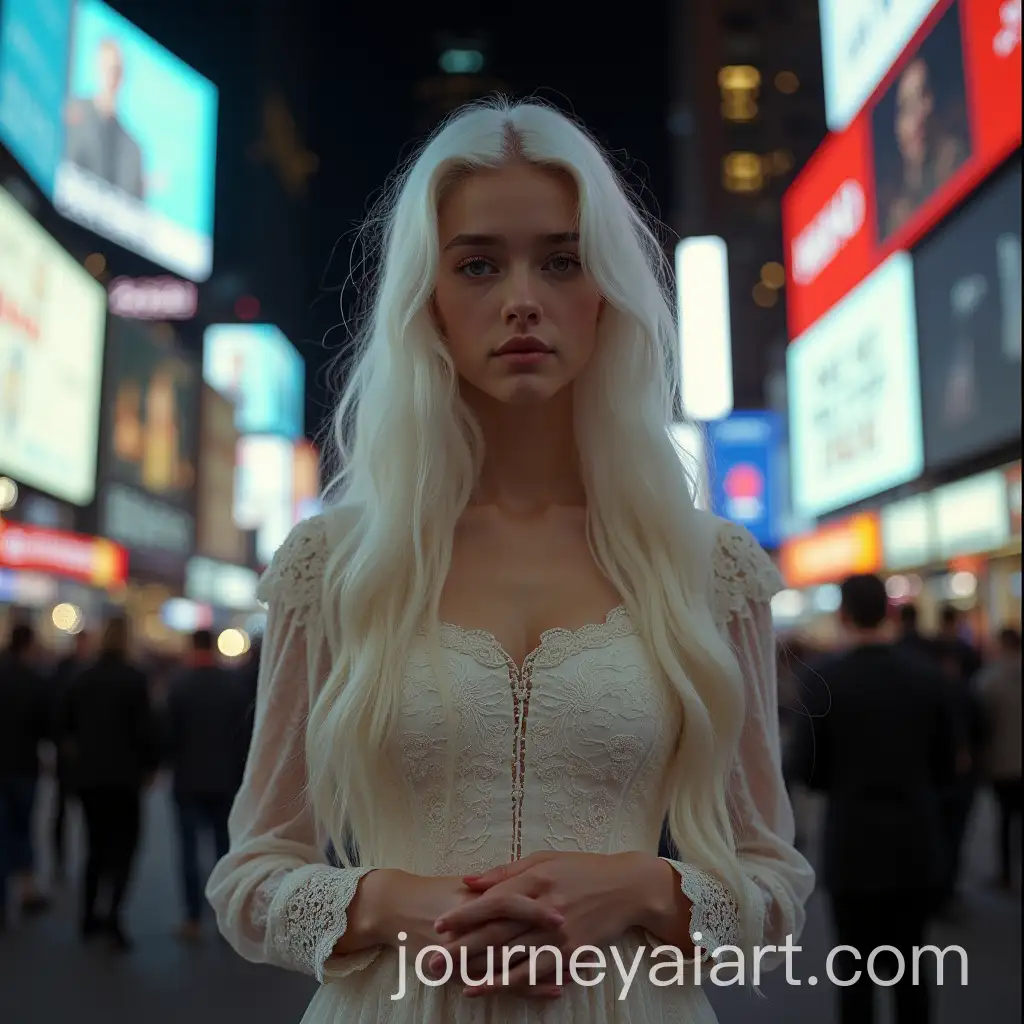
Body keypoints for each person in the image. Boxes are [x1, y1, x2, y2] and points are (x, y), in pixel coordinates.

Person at [207, 98, 814, 1021]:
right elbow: (249, 878)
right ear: (429, 299)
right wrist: (396, 905)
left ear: (607, 287)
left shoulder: (707, 565)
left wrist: (643, 889)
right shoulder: (334, 564)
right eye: (480, 264)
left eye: (562, 261)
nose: (522, 297)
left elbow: (773, 887)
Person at [792, 574, 957, 1024]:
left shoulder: (823, 680)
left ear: (843, 615)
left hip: (852, 843)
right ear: (888, 611)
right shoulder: (926, 676)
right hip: (915, 841)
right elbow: (947, 766)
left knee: (854, 975)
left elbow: (809, 770)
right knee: (911, 970)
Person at [59, 616, 159, 951]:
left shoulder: (82, 677)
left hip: (90, 778)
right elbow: (146, 730)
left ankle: (87, 916)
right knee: (124, 849)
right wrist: (150, 768)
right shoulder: (134, 679)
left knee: (94, 847)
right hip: (125, 779)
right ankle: (114, 916)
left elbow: (64, 725)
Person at [163, 629, 251, 942]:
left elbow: (167, 736)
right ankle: (226, 918)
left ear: (191, 647)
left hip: (187, 781)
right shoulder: (232, 686)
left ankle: (192, 919)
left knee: (188, 852)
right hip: (225, 781)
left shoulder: (179, 685)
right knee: (223, 852)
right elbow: (244, 738)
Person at [880, 56, 967, 239]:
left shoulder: (958, 158)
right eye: (908, 106)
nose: (919, 115)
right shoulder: (898, 215)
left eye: (924, 95)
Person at [0, 623, 52, 929]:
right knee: (23, 828)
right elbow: (46, 726)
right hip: (23, 766)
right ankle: (27, 890)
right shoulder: (34, 680)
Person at [64, 38, 145, 200]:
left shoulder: (132, 149)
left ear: (122, 77)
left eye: (116, 70)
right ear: (98, 67)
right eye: (106, 68)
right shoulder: (72, 111)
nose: (111, 77)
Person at [977, 627, 1022, 890]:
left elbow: (980, 723)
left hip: (1004, 762)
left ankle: (1006, 874)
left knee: (1006, 819)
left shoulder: (990, 680)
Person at [48, 630, 94, 884]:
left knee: (80, 812)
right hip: (71, 755)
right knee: (62, 810)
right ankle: (60, 861)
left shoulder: (85, 672)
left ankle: (81, 862)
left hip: (83, 755)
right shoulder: (67, 671)